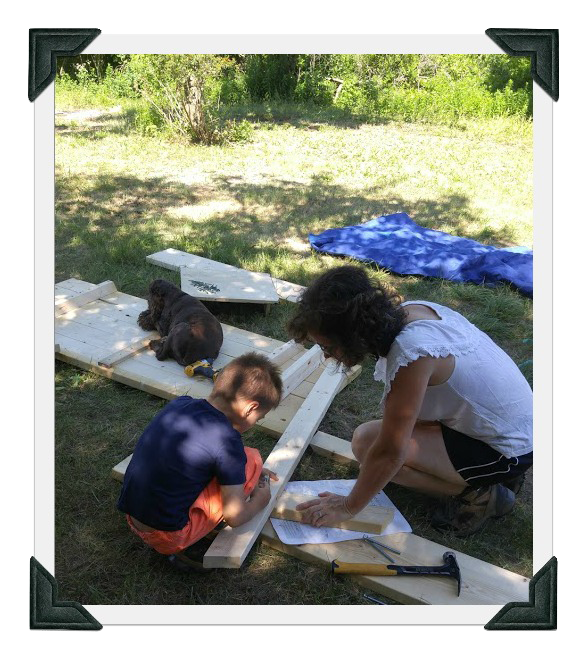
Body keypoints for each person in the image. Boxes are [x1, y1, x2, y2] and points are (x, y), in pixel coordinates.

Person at [287, 265, 533, 537]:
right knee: (366, 441)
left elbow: (391, 453)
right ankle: (478, 474)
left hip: (510, 448)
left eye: (328, 347)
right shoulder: (411, 312)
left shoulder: (412, 354)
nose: (326, 356)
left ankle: (484, 492)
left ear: (352, 335)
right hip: (513, 426)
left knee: (374, 451)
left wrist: (347, 506)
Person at [117, 352, 282, 556]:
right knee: (252, 460)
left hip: (132, 516)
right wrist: (260, 500)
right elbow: (234, 516)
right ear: (250, 408)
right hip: (170, 536)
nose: (256, 422)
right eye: (260, 417)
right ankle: (185, 546)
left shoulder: (180, 403)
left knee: (239, 462)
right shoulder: (228, 443)